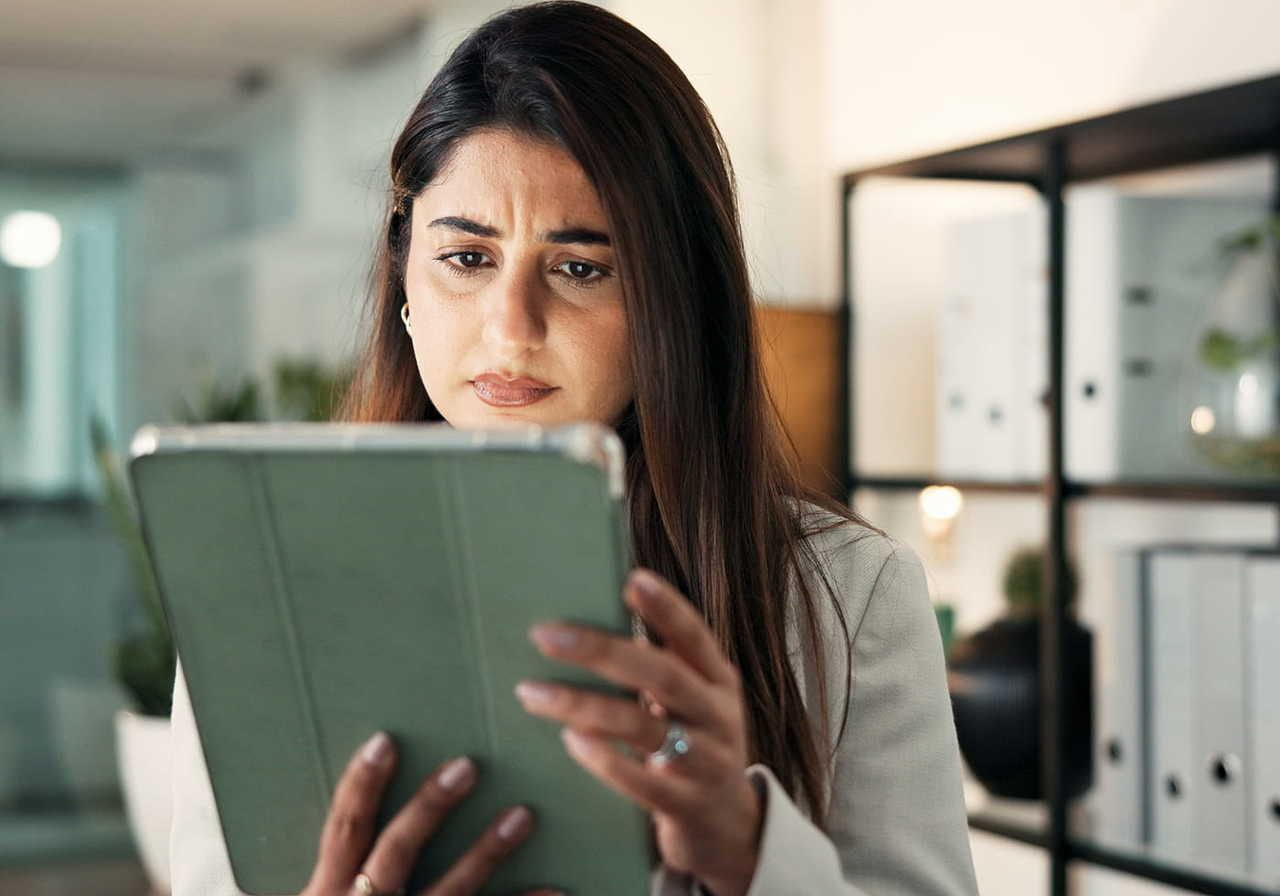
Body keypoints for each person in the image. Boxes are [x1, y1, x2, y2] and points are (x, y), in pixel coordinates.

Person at [168, 2, 979, 894]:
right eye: (467, 260)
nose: (512, 330)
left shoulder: (846, 596)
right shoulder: (263, 582)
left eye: (581, 268)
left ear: (673, 304)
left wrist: (748, 850)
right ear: (404, 277)